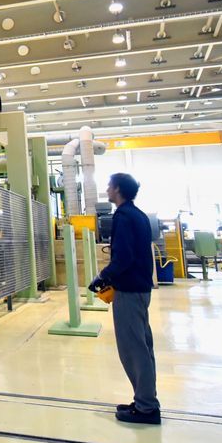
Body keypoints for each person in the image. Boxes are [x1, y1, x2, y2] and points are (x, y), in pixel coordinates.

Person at [88, 172, 160, 425]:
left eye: (109, 186)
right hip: (140, 287)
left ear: (117, 189)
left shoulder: (123, 216)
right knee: (142, 346)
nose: (107, 189)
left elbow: (124, 257)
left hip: (129, 290)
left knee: (133, 349)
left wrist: (102, 277)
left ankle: (146, 407)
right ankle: (144, 399)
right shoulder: (138, 215)